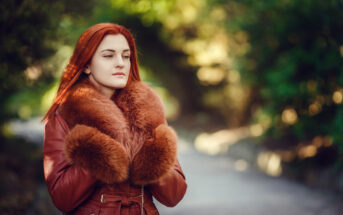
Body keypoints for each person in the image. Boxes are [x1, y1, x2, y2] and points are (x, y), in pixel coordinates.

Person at [42, 23, 187, 215]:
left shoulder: (148, 113)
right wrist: (98, 153)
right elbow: (62, 199)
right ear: (86, 65)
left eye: (126, 56)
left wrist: (150, 153)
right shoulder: (63, 117)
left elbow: (173, 195)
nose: (120, 63)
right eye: (108, 55)